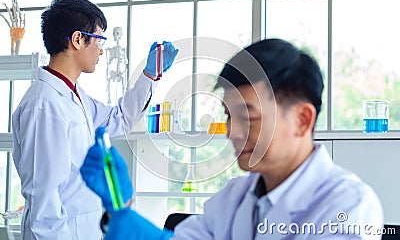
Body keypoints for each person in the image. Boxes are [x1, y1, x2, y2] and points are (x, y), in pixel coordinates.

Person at [80, 38, 384, 239]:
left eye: (250, 117)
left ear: (302, 119)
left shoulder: (349, 206)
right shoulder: (235, 197)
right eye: (228, 115)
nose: (234, 132)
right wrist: (119, 209)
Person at [11, 0, 178, 240]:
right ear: (78, 39)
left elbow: (119, 119)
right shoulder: (44, 105)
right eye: (99, 40)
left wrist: (149, 76)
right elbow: (43, 201)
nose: (101, 50)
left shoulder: (74, 96)